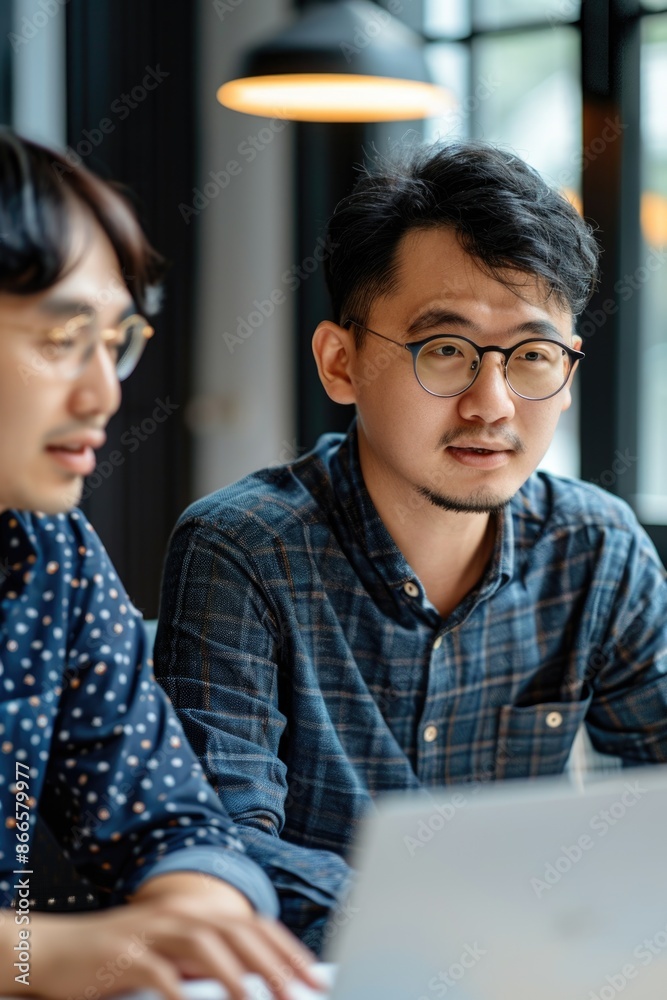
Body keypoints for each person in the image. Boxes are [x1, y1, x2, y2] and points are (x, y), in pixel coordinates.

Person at [154, 140, 667, 952]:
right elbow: (217, 845)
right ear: (340, 361)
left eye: (532, 356)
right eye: (445, 351)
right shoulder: (243, 548)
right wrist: (446, 929)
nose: (490, 405)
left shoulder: (596, 549)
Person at [0, 128, 321, 1000]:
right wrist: (36, 956)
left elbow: (167, 817)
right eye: (65, 337)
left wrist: (199, 906)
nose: (104, 394)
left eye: (116, 342)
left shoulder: (46, 554)